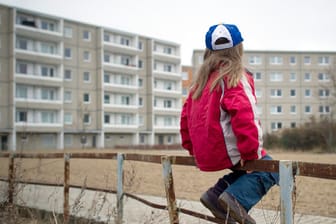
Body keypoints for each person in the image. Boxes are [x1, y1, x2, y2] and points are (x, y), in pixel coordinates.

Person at [180, 23, 279, 224]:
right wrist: (251, 154)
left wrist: (192, 149)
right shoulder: (234, 76)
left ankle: (216, 195)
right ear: (238, 48)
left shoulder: (199, 83)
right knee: (271, 168)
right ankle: (236, 201)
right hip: (227, 149)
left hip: (206, 153)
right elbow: (246, 115)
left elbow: (185, 119)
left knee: (247, 171)